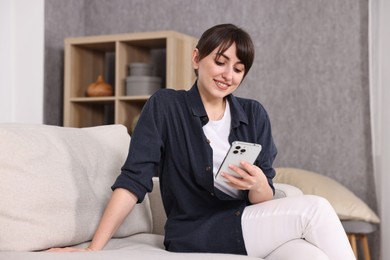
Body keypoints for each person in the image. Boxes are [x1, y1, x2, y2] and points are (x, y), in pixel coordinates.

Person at [49, 24, 355, 259]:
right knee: (314, 209)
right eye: (220, 62)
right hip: (195, 230)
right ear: (197, 58)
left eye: (238, 69)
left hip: (246, 221)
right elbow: (133, 179)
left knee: (309, 253)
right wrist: (93, 249)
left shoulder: (254, 113)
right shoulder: (167, 106)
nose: (227, 75)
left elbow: (262, 199)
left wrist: (259, 183)